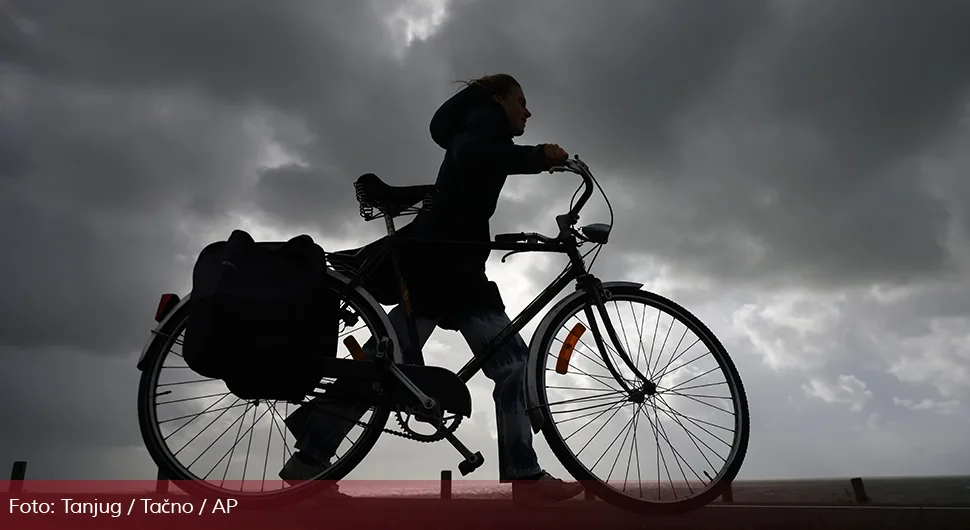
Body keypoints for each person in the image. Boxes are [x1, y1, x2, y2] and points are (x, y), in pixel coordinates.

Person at [280, 74, 584, 506]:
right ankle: (523, 475)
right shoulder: (484, 120)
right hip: (440, 264)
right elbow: (473, 154)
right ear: (498, 100)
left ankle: (309, 460)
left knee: (400, 366)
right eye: (521, 101)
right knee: (480, 365)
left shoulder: (484, 124)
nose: (527, 111)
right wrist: (538, 156)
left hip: (451, 264)